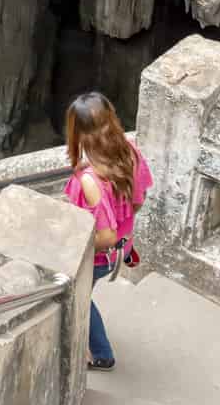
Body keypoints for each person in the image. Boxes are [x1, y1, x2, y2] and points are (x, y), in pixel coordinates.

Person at [64, 91, 153, 371]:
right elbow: (139, 200)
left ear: (79, 134)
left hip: (99, 256)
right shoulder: (130, 152)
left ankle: (102, 354)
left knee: (78, 296)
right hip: (123, 247)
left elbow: (106, 236)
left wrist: (76, 246)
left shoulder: (91, 180)